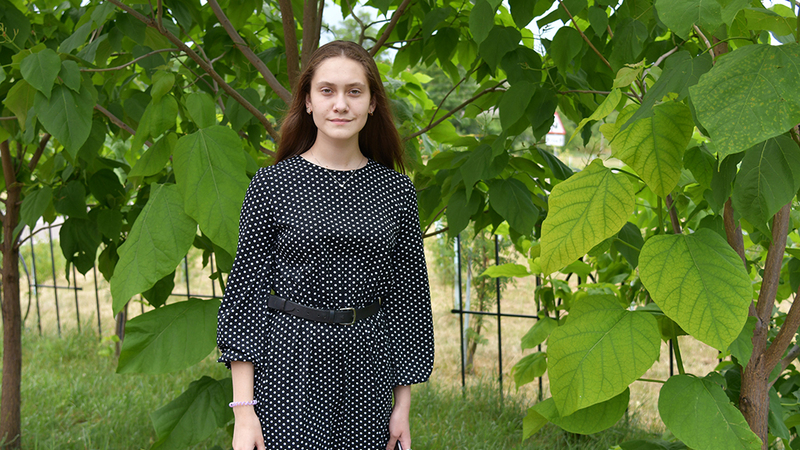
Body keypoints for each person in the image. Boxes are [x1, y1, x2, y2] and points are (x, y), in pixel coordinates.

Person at [216, 40, 435, 450]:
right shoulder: (272, 185)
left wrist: (401, 406)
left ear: (372, 103)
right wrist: (244, 412)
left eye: (355, 92)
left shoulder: (396, 191)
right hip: (289, 363)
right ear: (308, 101)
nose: (340, 104)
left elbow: (408, 300)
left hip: (367, 366)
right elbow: (246, 296)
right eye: (327, 91)